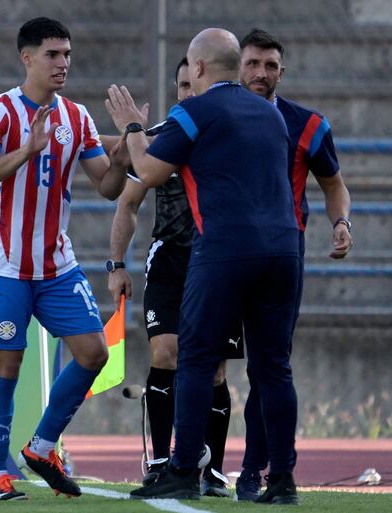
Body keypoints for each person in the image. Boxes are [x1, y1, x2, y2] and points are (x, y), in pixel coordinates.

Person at [106, 28, 302, 504]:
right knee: (274, 369)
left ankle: (181, 470)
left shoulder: (194, 111)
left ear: (196, 68)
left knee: (194, 358)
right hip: (283, 251)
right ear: (238, 66)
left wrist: (133, 127)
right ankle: (282, 482)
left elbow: (150, 172)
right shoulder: (271, 114)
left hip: (224, 249)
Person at [0, 17, 129, 501]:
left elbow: (108, 187)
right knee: (7, 366)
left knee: (95, 353)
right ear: (27, 57)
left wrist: (121, 157)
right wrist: (26, 149)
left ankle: (40, 447)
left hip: (57, 266)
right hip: (5, 264)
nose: (63, 64)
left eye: (67, 55)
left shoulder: (77, 118)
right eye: (53, 55)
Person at [104, 57, 241, 498]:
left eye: (192, 84)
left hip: (220, 262)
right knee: (166, 352)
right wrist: (116, 264)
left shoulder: (229, 136)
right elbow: (126, 203)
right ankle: (161, 462)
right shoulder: (159, 139)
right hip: (170, 261)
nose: (187, 93)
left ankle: (214, 470)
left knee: (216, 370)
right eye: (181, 86)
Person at [234, 28, 353, 501]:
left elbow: (333, 184)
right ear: (237, 66)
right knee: (199, 361)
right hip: (217, 253)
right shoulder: (214, 117)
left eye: (269, 65)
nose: (260, 73)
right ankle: (187, 466)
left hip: (282, 254)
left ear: (282, 71)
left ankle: (258, 471)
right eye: (252, 64)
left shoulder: (306, 125)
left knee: (268, 365)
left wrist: (341, 223)